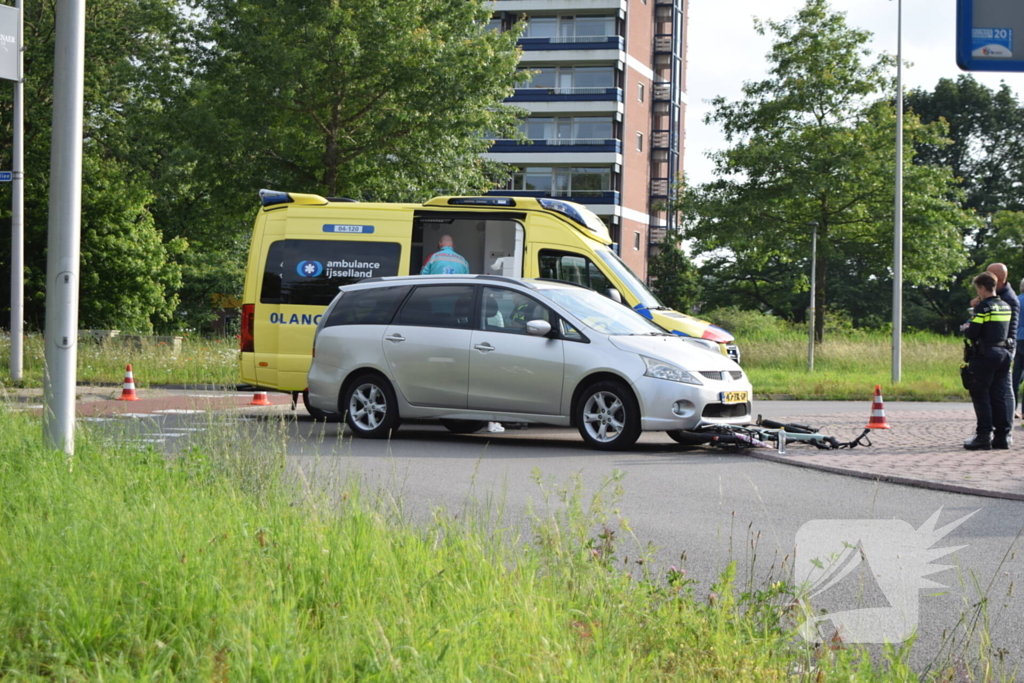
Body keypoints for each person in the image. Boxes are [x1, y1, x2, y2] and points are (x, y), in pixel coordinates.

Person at [962, 271, 1014, 450]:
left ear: (983, 288)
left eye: (978, 289)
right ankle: (1002, 436)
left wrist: (966, 326)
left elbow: (973, 332)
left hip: (985, 354)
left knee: (980, 394)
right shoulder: (1005, 305)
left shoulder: (983, 308)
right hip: (1003, 353)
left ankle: (983, 436)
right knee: (998, 395)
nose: (978, 293)